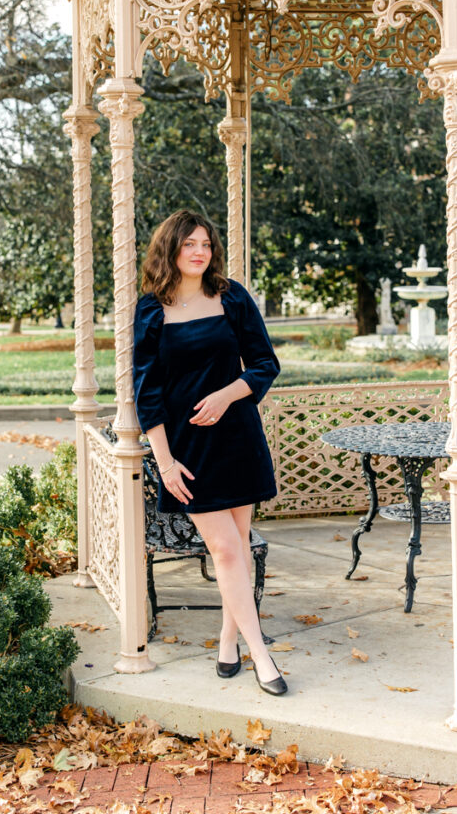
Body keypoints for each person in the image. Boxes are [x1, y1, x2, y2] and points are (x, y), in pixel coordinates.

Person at [133, 209, 287, 696]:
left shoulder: (232, 297)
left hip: (238, 435)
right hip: (188, 448)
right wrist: (163, 458)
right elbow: (146, 392)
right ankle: (260, 653)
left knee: (236, 549)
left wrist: (227, 394)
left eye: (205, 243)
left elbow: (265, 363)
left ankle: (228, 639)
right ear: (170, 250)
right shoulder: (151, 310)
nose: (199, 251)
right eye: (189, 244)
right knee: (224, 548)